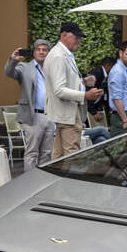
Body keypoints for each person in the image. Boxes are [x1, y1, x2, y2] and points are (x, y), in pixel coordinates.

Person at [44, 22, 102, 158]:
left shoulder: (62, 53)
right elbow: (59, 90)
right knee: (71, 155)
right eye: (76, 37)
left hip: (65, 113)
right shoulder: (59, 56)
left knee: (59, 156)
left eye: (79, 37)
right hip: (67, 114)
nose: (79, 40)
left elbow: (62, 84)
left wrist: (83, 82)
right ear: (64, 34)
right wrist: (85, 95)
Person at [4, 39, 55, 171]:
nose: (41, 52)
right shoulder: (24, 67)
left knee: (47, 153)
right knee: (32, 152)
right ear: (33, 52)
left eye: (44, 50)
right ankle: (29, 181)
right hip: (33, 115)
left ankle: (43, 180)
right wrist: (13, 60)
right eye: (38, 49)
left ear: (49, 53)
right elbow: (8, 72)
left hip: (51, 115)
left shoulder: (53, 69)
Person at [108, 40, 127, 137]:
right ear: (120, 53)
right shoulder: (118, 71)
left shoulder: (125, 69)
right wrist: (124, 119)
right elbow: (116, 98)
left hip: (124, 115)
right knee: (119, 145)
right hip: (120, 117)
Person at [86, 56, 115, 123]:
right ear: (108, 66)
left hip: (94, 108)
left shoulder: (104, 76)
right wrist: (93, 112)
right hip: (87, 109)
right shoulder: (95, 73)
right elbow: (88, 92)